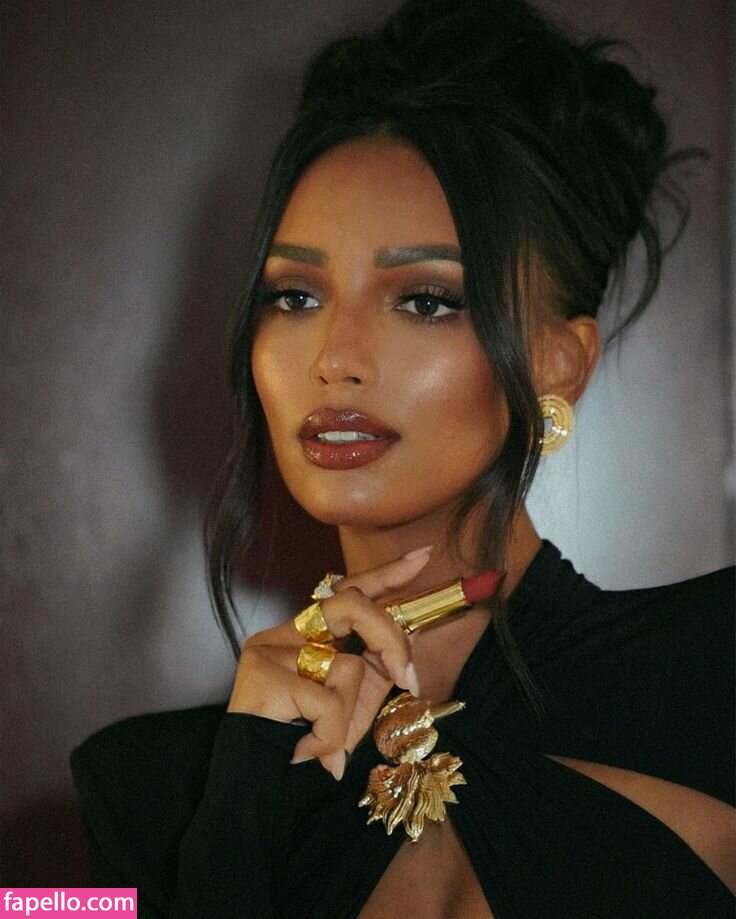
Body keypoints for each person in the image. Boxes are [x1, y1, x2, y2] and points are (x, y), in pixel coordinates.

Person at [71, 0, 735, 916]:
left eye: (423, 300)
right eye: (295, 296)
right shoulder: (147, 789)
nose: (333, 357)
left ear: (559, 362)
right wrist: (239, 811)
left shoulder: (712, 671)